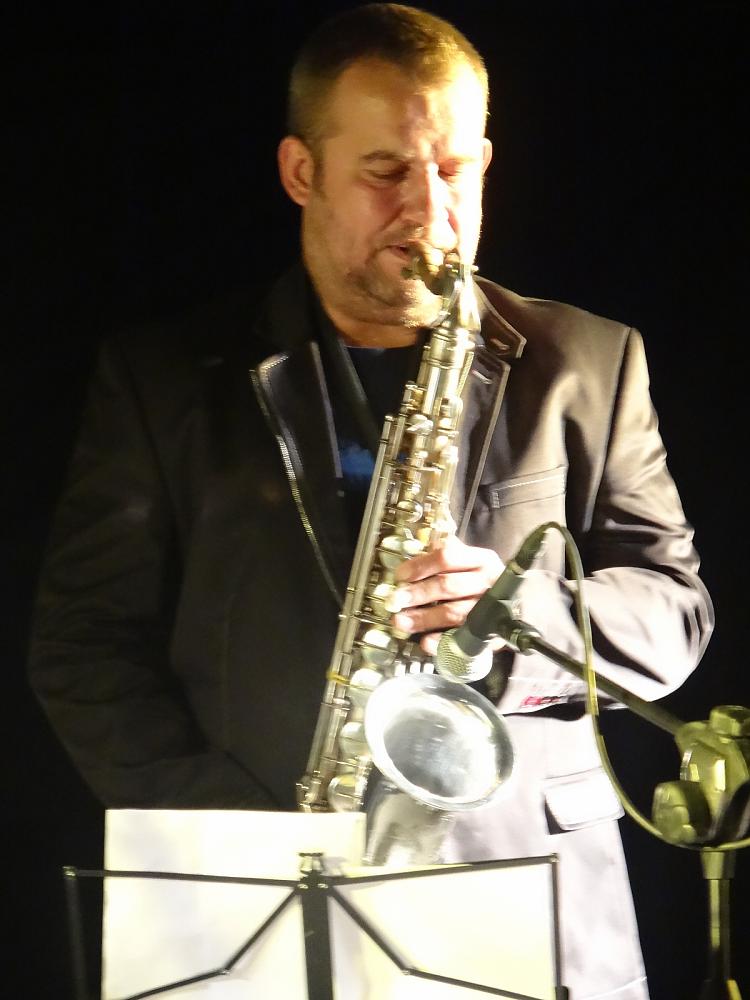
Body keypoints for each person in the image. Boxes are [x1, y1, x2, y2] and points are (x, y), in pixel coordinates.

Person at [29, 5, 713, 998]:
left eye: (455, 169)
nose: (430, 212)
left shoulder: (589, 363)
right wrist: (240, 838)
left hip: (531, 897)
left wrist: (524, 613)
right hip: (254, 901)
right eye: (386, 170)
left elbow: (675, 613)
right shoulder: (163, 379)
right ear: (301, 171)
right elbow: (83, 646)